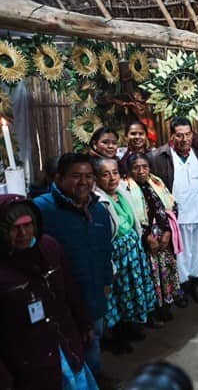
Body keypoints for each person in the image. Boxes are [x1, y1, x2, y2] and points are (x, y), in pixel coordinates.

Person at [0, 195, 99, 390]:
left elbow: (70, 289)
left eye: (28, 225)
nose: (23, 234)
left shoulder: (49, 247)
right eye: (14, 228)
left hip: (66, 345)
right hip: (30, 362)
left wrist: (85, 322)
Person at [33, 153, 114, 385]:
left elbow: (105, 249)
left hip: (94, 287)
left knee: (94, 338)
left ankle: (95, 377)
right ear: (59, 178)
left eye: (89, 176)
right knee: (70, 346)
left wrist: (107, 281)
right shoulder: (42, 209)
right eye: (76, 176)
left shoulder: (97, 208)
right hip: (61, 295)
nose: (84, 182)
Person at [93, 158, 157, 354]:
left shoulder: (123, 192)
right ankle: (116, 337)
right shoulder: (98, 202)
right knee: (117, 296)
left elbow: (135, 221)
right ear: (97, 178)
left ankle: (131, 327)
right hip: (116, 259)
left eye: (115, 172)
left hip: (133, 256)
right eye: (106, 174)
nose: (112, 178)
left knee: (132, 292)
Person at [149, 117, 198, 305]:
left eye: (188, 134)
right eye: (179, 135)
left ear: (192, 135)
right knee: (180, 255)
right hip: (176, 218)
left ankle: (197, 283)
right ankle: (181, 288)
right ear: (172, 135)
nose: (184, 139)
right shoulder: (160, 157)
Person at [123, 153, 183, 323]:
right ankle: (152, 310)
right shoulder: (125, 188)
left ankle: (166, 303)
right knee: (150, 275)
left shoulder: (156, 182)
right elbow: (130, 216)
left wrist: (167, 232)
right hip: (145, 241)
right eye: (136, 167)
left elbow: (172, 206)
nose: (141, 171)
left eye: (145, 167)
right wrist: (147, 237)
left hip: (163, 236)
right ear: (130, 169)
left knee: (165, 272)